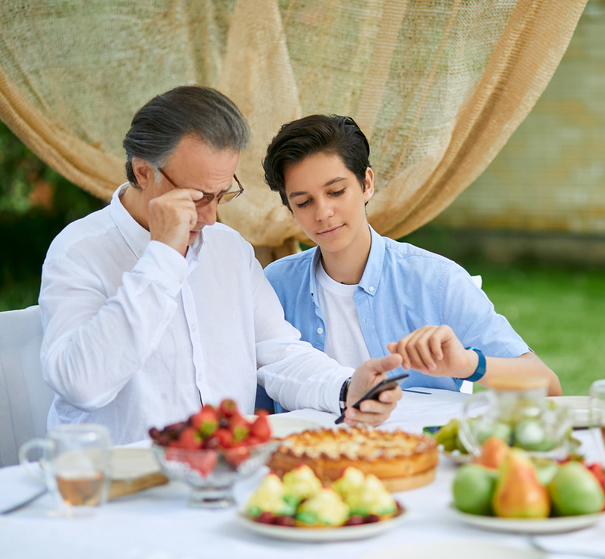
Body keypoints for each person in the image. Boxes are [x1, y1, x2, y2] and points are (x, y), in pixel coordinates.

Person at [38, 88, 402, 445]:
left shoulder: (228, 248)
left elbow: (279, 354)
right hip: (119, 490)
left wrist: (347, 386)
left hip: (226, 478)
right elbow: (81, 385)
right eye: (198, 197)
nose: (211, 217)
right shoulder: (78, 251)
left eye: (222, 195)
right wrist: (162, 257)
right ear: (144, 171)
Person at [261, 115, 561, 409]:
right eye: (304, 202)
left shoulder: (437, 281)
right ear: (290, 210)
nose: (323, 212)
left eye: (336, 191)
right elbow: (256, 405)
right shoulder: (274, 286)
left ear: (366, 184)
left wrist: (469, 364)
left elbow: (547, 387)